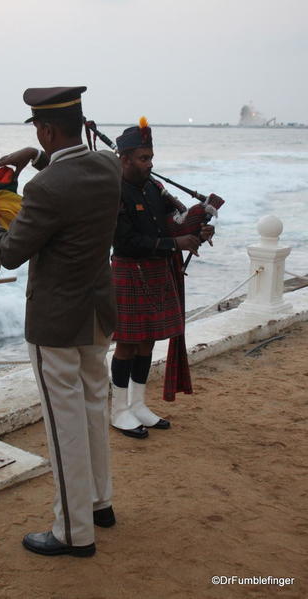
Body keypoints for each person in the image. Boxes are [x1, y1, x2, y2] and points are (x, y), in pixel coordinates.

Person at [0, 86, 122, 557]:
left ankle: (74, 532)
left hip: (57, 321)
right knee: (95, 407)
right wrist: (37, 154)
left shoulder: (46, 188)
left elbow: (11, 253)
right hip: (98, 312)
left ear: (45, 127)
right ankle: (100, 503)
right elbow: (69, 177)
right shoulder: (109, 166)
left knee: (64, 426)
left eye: (39, 131)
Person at [110, 120, 214, 439]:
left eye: (151, 157)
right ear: (125, 158)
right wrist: (174, 244)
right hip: (129, 271)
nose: (150, 163)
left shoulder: (153, 189)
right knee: (127, 345)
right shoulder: (114, 191)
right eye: (143, 158)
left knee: (148, 341)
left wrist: (195, 230)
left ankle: (138, 405)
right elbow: (124, 242)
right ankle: (118, 410)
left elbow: (169, 223)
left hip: (155, 272)